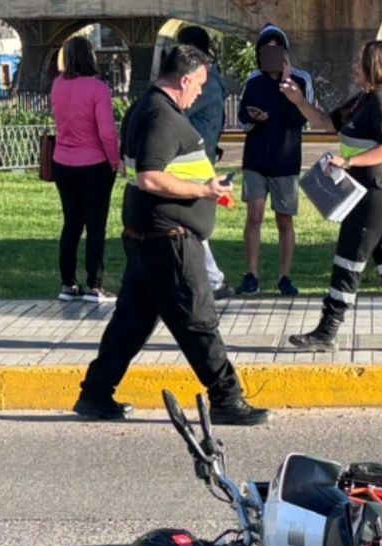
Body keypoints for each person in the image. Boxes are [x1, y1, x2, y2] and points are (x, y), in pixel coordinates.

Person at [73, 45, 271, 426]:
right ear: (183, 79)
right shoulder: (159, 114)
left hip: (151, 237)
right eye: (198, 83)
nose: (200, 91)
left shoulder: (149, 108)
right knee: (198, 320)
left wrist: (204, 182)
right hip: (169, 241)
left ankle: (95, 394)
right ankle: (227, 398)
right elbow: (150, 176)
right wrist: (204, 191)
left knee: (130, 324)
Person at [281, 40, 382, 352]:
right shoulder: (362, 101)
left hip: (378, 193)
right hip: (377, 192)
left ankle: (326, 332)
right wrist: (298, 100)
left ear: (373, 67)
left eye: (359, 62)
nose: (355, 66)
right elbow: (325, 123)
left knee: (348, 261)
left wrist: (348, 161)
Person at [235, 23, 314, 297]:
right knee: (254, 215)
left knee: (284, 219)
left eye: (276, 52)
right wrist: (253, 118)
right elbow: (243, 116)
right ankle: (252, 274)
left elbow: (302, 119)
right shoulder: (253, 81)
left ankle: (284, 276)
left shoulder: (300, 80)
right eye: (265, 53)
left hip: (286, 159)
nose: (270, 58)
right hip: (255, 158)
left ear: (285, 54)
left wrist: (288, 90)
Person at [50, 36, 119, 303]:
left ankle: (68, 282)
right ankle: (95, 284)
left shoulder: (57, 86)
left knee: (71, 224)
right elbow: (106, 132)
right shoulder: (97, 88)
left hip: (63, 162)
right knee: (96, 225)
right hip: (94, 164)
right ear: (90, 56)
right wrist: (113, 160)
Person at [176, 25, 234, 301]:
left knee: (191, 220)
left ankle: (213, 279)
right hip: (199, 155)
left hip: (192, 160)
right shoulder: (212, 77)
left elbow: (177, 110)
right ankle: (206, 278)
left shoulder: (203, 81)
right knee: (186, 219)